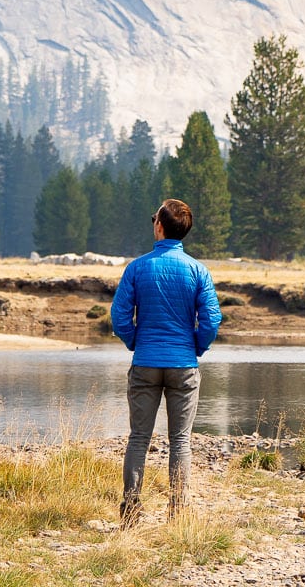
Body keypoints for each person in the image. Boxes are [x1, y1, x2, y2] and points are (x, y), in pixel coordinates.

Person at [109, 197, 222, 524]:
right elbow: (211, 320)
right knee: (181, 441)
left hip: (145, 361)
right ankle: (178, 512)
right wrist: (196, 348)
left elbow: (119, 317)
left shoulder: (137, 267)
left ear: (159, 226)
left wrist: (135, 342)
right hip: (183, 365)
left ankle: (130, 510)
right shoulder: (198, 270)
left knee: (139, 438)